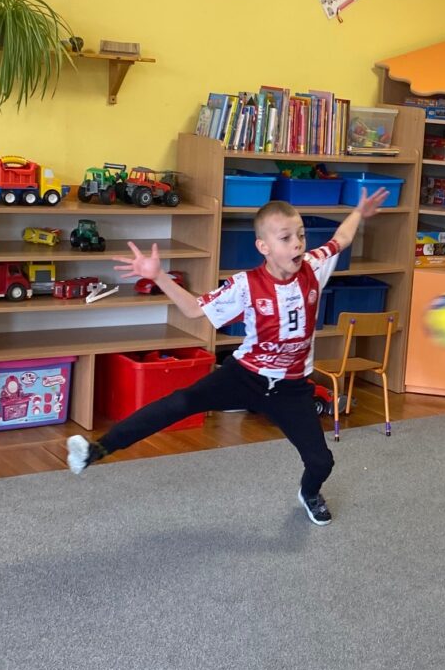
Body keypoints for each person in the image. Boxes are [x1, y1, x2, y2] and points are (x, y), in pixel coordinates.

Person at [66, 187, 388, 524]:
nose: (297, 244)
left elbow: (341, 239)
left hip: (292, 388)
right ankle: (96, 450)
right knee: (180, 402)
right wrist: (158, 276)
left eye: (301, 235)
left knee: (322, 462)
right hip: (244, 376)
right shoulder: (245, 285)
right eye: (286, 238)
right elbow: (193, 309)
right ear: (263, 247)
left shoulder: (313, 266)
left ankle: (309, 493)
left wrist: (358, 212)